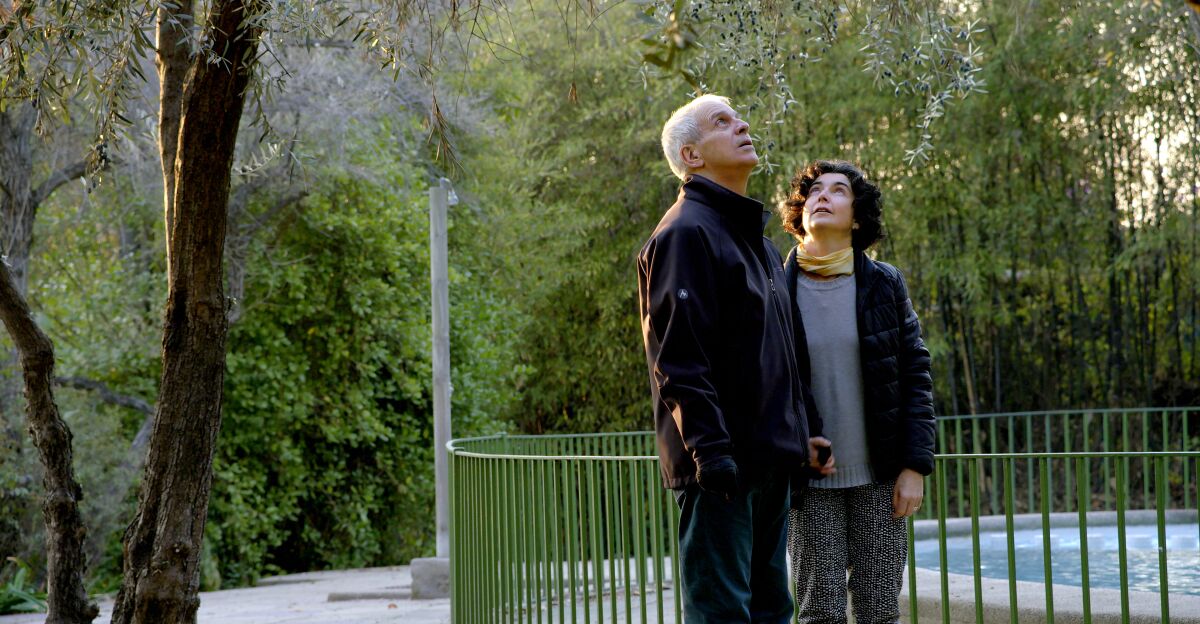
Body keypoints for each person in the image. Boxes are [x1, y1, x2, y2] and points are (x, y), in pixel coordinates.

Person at [637, 94, 831, 623]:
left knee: (772, 611)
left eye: (739, 115)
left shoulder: (759, 243)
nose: (742, 123)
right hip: (719, 470)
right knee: (722, 614)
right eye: (722, 121)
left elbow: (782, 351)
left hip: (769, 460)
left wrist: (805, 430)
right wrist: (712, 455)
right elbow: (678, 359)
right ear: (692, 156)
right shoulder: (683, 234)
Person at [778, 160, 935, 624]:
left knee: (878, 610)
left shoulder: (885, 283)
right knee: (820, 612)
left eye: (838, 190)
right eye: (814, 190)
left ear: (858, 215)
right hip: (808, 483)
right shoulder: (773, 286)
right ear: (801, 210)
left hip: (882, 477)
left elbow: (915, 375)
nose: (822, 196)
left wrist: (914, 466)